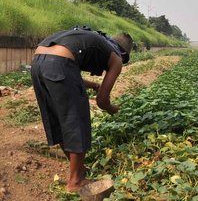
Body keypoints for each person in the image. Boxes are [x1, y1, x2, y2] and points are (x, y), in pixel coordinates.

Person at [30, 26, 133, 192]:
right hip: (60, 63)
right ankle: (76, 181)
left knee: (58, 118)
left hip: (37, 63)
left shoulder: (91, 38)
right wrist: (114, 109)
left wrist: (93, 85)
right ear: (125, 54)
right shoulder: (117, 59)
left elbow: (64, 68)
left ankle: (78, 170)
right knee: (77, 121)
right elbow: (102, 101)